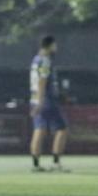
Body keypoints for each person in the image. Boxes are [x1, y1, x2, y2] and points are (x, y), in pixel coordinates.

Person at [29, 35, 69, 172]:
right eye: (55, 45)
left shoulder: (36, 59)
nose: (56, 48)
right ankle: (56, 163)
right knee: (62, 129)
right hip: (46, 99)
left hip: (34, 98)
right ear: (50, 45)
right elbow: (42, 80)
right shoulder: (45, 61)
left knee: (39, 129)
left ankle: (35, 164)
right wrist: (41, 101)